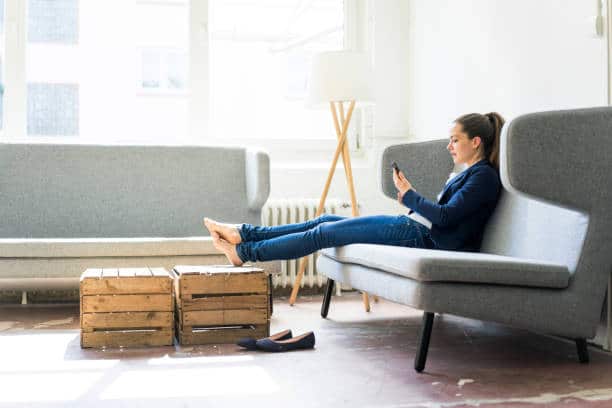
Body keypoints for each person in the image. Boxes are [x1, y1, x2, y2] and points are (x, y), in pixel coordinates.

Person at [205, 112, 505, 266]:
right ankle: (243, 233)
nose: (449, 145)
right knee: (322, 221)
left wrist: (410, 195)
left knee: (323, 234)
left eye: (455, 139)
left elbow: (445, 218)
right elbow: (445, 215)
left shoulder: (484, 177)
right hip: (415, 230)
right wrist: (409, 196)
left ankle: (245, 252)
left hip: (421, 237)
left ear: (475, 141)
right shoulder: (470, 174)